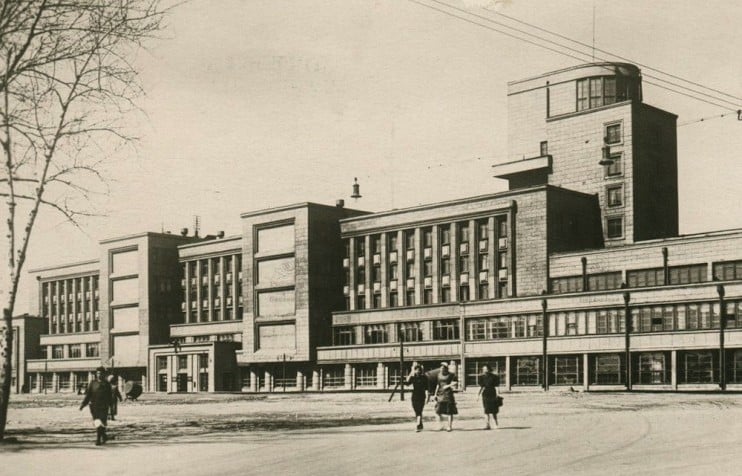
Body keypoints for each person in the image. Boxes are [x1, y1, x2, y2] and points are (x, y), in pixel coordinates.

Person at [79, 366, 113, 446]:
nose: (99, 375)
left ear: (104, 374)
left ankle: (98, 439)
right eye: (97, 373)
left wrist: (111, 407)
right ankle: (103, 436)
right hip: (94, 406)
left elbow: (109, 396)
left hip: (104, 406)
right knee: (98, 422)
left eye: (100, 373)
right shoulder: (92, 383)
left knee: (102, 422)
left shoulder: (107, 384)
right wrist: (83, 404)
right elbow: (88, 395)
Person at [405, 362, 429, 432]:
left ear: (421, 371)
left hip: (422, 396)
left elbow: (427, 388)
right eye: (416, 370)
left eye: (419, 370)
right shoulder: (413, 378)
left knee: (419, 410)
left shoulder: (424, 378)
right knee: (416, 411)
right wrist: (411, 372)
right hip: (414, 396)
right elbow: (407, 383)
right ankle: (420, 424)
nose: (417, 371)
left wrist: (427, 397)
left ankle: (418, 425)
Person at [434, 362, 458, 432]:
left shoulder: (451, 375)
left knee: (449, 411)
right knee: (437, 411)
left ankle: (449, 426)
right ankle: (440, 425)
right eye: (441, 367)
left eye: (443, 367)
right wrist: (435, 394)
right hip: (440, 394)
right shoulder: (438, 375)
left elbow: (455, 382)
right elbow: (438, 385)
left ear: (446, 368)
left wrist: (448, 386)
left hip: (448, 394)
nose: (442, 369)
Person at [477, 364, 500, 429]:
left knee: (493, 410)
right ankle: (487, 425)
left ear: (489, 369)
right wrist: (477, 395)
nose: (485, 370)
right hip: (485, 394)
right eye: (483, 369)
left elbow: (497, 386)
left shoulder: (494, 377)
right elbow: (481, 387)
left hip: (492, 394)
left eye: (486, 369)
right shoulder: (481, 377)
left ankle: (496, 423)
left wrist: (498, 395)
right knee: (486, 410)